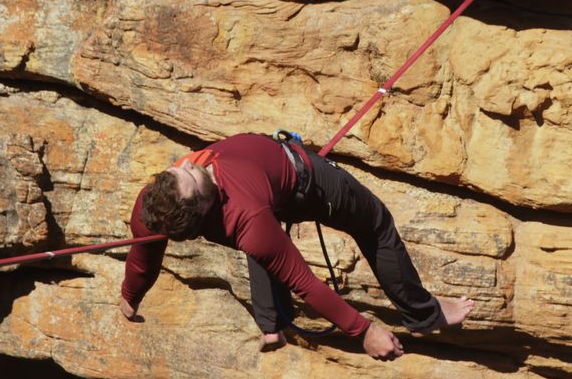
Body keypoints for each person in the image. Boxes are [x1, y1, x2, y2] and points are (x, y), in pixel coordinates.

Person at [118, 132, 473, 360]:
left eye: (178, 168)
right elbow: (307, 284)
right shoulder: (250, 219)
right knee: (377, 223)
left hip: (263, 203)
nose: (191, 164)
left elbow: (142, 256)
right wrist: (363, 332)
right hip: (308, 185)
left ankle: (270, 324)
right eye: (193, 176)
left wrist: (129, 297)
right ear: (203, 205)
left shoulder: (153, 203)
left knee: (264, 247)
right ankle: (423, 314)